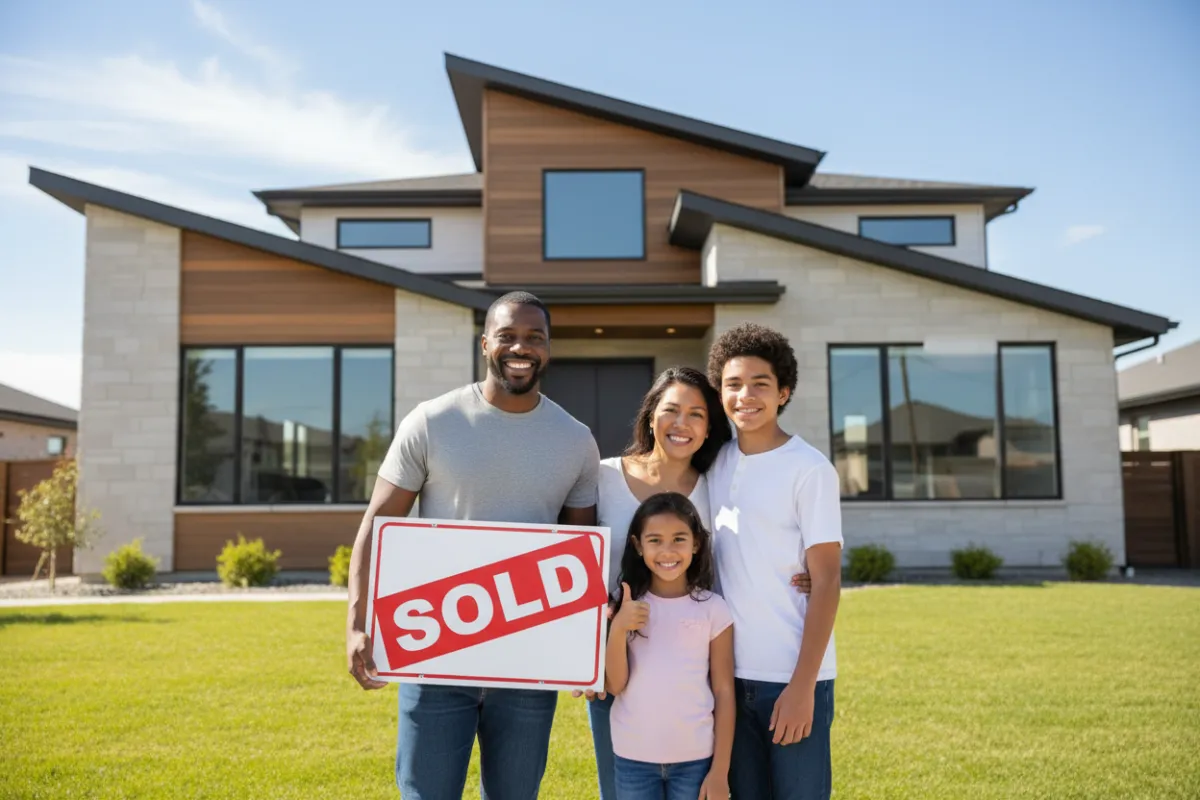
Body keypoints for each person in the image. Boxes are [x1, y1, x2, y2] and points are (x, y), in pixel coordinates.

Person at [343, 290, 601, 800]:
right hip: (436, 650)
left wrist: (583, 650)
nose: (520, 348)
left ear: (548, 349)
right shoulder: (432, 422)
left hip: (528, 660)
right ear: (485, 344)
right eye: (507, 336)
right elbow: (377, 525)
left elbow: (581, 550)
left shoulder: (576, 440)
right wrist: (356, 622)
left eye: (534, 338)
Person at [586, 365, 809, 800]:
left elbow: (755, 543)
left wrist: (807, 576)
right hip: (613, 661)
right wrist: (582, 654)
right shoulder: (602, 476)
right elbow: (567, 560)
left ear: (710, 428)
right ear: (651, 416)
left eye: (697, 414)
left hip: (688, 666)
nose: (681, 424)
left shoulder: (717, 486)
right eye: (671, 410)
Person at [705, 322, 843, 800]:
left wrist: (803, 687)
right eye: (733, 384)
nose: (746, 396)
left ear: (784, 392)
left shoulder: (810, 469)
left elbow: (826, 582)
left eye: (760, 384)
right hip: (727, 677)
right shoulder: (715, 463)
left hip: (792, 676)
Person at [604, 491, 735, 800]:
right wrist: (619, 627)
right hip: (633, 758)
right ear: (638, 545)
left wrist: (720, 771)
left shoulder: (713, 609)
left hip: (696, 760)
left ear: (696, 543)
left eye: (679, 539)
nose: (667, 551)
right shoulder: (625, 605)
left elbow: (724, 691)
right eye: (655, 540)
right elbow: (615, 684)